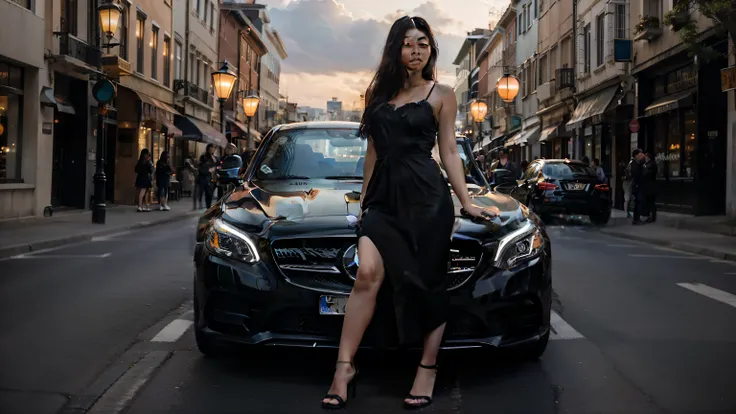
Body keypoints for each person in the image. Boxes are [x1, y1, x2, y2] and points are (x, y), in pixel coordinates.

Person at [320, 16, 493, 411]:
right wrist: (364, 203)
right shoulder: (377, 96)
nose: (416, 51)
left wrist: (465, 200)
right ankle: (343, 368)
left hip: (428, 199)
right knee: (366, 273)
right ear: (395, 48)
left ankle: (426, 368)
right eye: (408, 44)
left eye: (423, 44)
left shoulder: (442, 93)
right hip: (383, 198)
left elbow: (448, 150)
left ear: (431, 50)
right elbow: (373, 153)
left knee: (427, 282)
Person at [195, 144, 217, 209]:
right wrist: (209, 170)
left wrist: (215, 168)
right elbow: (200, 167)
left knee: (209, 194)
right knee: (203, 192)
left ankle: (208, 207)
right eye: (210, 149)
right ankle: (203, 204)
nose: (212, 150)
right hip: (203, 177)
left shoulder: (214, 157)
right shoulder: (203, 157)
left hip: (211, 178)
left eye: (213, 149)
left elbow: (217, 165)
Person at [629, 149, 646, 225]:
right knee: (638, 202)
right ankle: (636, 219)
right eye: (639, 155)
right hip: (637, 185)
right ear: (636, 155)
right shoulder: (634, 163)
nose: (641, 156)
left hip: (638, 185)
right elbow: (636, 174)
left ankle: (637, 218)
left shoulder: (636, 163)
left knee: (639, 202)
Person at [643, 151, 658, 223]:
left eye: (646, 157)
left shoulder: (650, 165)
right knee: (651, 202)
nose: (645, 158)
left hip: (650, 187)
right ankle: (652, 216)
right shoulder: (650, 164)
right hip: (650, 186)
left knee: (650, 202)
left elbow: (646, 174)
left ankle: (651, 217)